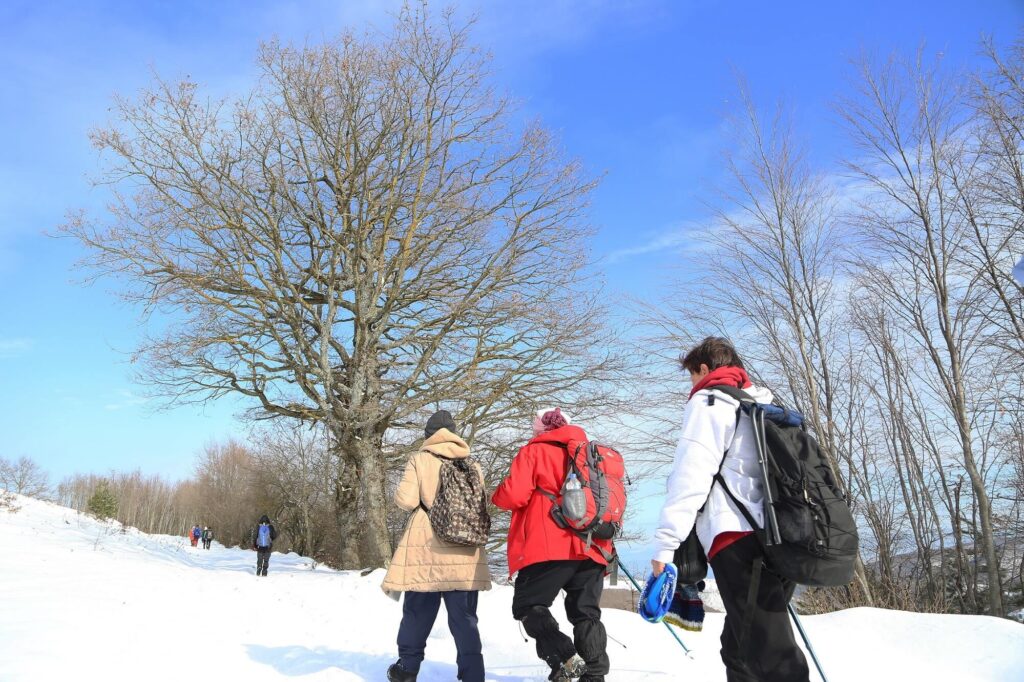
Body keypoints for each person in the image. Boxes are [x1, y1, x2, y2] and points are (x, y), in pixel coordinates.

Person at [649, 337, 809, 681]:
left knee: (771, 652)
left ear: (705, 369)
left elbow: (689, 477)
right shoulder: (768, 404)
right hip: (786, 533)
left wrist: (666, 543)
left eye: (691, 376)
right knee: (740, 646)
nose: (690, 385)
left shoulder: (709, 402)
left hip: (737, 536)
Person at [492, 408, 610, 682]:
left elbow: (513, 495)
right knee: (586, 614)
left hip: (548, 546)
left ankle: (564, 658)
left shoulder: (534, 452)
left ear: (542, 429)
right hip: (592, 545)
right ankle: (593, 676)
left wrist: (494, 496)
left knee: (528, 604)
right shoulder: (591, 455)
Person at [382, 410, 491, 682]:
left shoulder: (420, 459)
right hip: (465, 551)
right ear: (454, 434)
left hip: (426, 550)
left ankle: (406, 669)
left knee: (417, 615)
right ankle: (473, 675)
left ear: (428, 435)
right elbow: (480, 507)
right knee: (465, 621)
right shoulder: (473, 464)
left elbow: (406, 500)